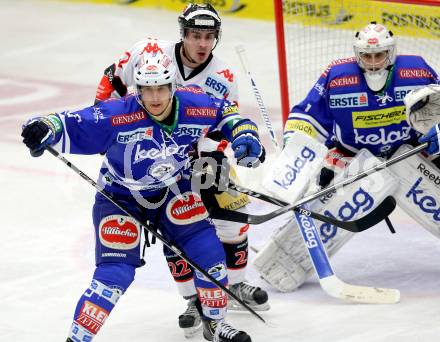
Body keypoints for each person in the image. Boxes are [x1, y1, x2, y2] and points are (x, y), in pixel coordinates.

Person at [21, 51, 265, 342]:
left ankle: (214, 324)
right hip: (120, 198)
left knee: (210, 254)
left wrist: (245, 135)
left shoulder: (196, 104)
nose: (155, 97)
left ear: (173, 86)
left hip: (174, 189)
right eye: (147, 89)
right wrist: (42, 127)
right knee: (114, 276)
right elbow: (66, 122)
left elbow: (229, 115)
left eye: (161, 87)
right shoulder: (116, 114)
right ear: (137, 88)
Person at [95, 3, 269, 337]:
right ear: (183, 34)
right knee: (175, 227)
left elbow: (223, 124)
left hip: (198, 153)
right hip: (150, 156)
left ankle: (237, 286)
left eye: (209, 36)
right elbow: (110, 80)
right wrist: (105, 127)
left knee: (232, 219)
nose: (202, 44)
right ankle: (191, 299)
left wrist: (238, 146)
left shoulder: (223, 76)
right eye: (194, 35)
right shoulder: (148, 53)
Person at [253, 21, 440, 292]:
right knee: (317, 195)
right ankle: (283, 262)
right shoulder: (337, 76)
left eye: (379, 55)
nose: (373, 62)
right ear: (357, 55)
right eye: (367, 55)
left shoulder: (416, 70)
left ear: (392, 53)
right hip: (351, 156)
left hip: (412, 151)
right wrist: (296, 140)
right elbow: (308, 113)